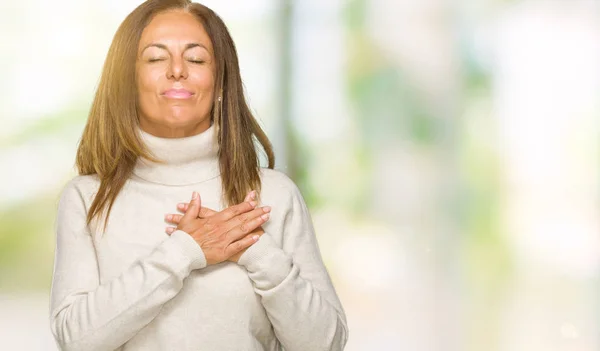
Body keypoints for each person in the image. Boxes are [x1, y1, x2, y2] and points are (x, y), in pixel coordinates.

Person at [48, 1, 348, 350]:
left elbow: (325, 344)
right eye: (156, 58)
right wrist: (185, 251)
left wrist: (254, 249)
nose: (177, 70)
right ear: (127, 81)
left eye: (196, 59)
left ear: (220, 82)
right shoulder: (87, 199)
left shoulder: (273, 194)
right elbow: (75, 340)